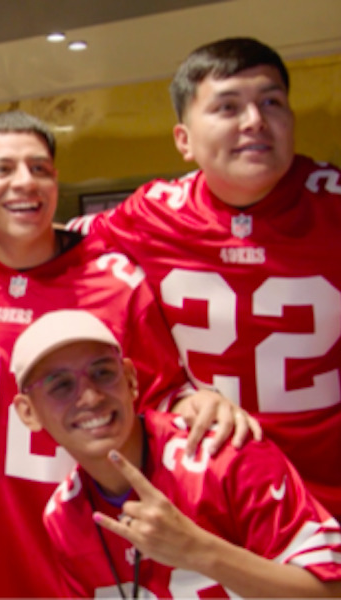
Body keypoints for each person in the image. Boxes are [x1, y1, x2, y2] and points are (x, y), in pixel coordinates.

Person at [0, 110, 253, 598]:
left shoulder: (113, 281)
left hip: (89, 562)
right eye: (3, 169)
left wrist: (194, 402)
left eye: (40, 169)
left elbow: (161, 399)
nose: (25, 182)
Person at [61, 37, 341, 518]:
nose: (255, 120)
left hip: (329, 493)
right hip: (207, 489)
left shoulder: (331, 205)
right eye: (228, 107)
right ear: (183, 140)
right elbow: (56, 244)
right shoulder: (152, 211)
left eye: (272, 102)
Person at [12, 309, 341, 598]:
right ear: (28, 413)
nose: (89, 397)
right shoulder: (65, 515)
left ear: (130, 379)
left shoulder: (225, 456)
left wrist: (198, 550)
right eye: (60, 385)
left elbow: (332, 591)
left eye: (102, 373)